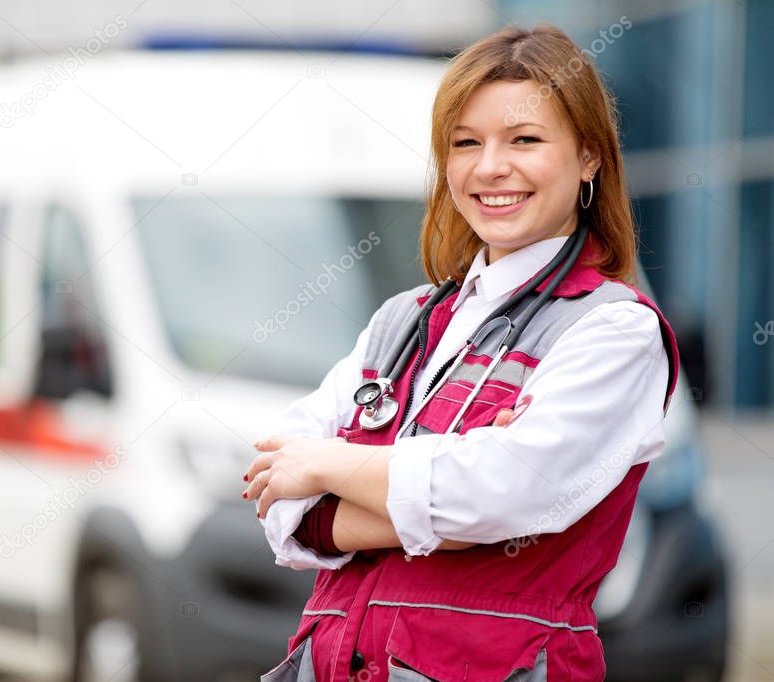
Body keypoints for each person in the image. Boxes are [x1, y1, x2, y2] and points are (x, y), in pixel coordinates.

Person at [242, 24, 679, 682]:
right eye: (464, 143)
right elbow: (280, 498)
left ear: (588, 156)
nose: (489, 166)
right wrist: (439, 493)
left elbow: (496, 495)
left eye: (523, 140)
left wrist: (332, 464)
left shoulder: (612, 330)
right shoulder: (403, 320)